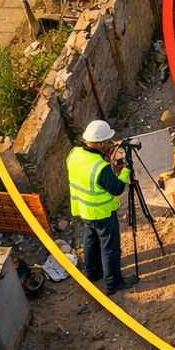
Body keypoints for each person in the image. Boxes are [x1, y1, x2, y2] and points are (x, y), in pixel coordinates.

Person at [66, 119, 135, 293]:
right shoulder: (101, 167)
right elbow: (117, 189)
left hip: (83, 210)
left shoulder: (74, 154)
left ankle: (93, 273)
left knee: (90, 240)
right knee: (109, 247)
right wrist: (124, 171)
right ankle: (112, 283)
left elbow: (85, 176)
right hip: (102, 213)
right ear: (102, 143)